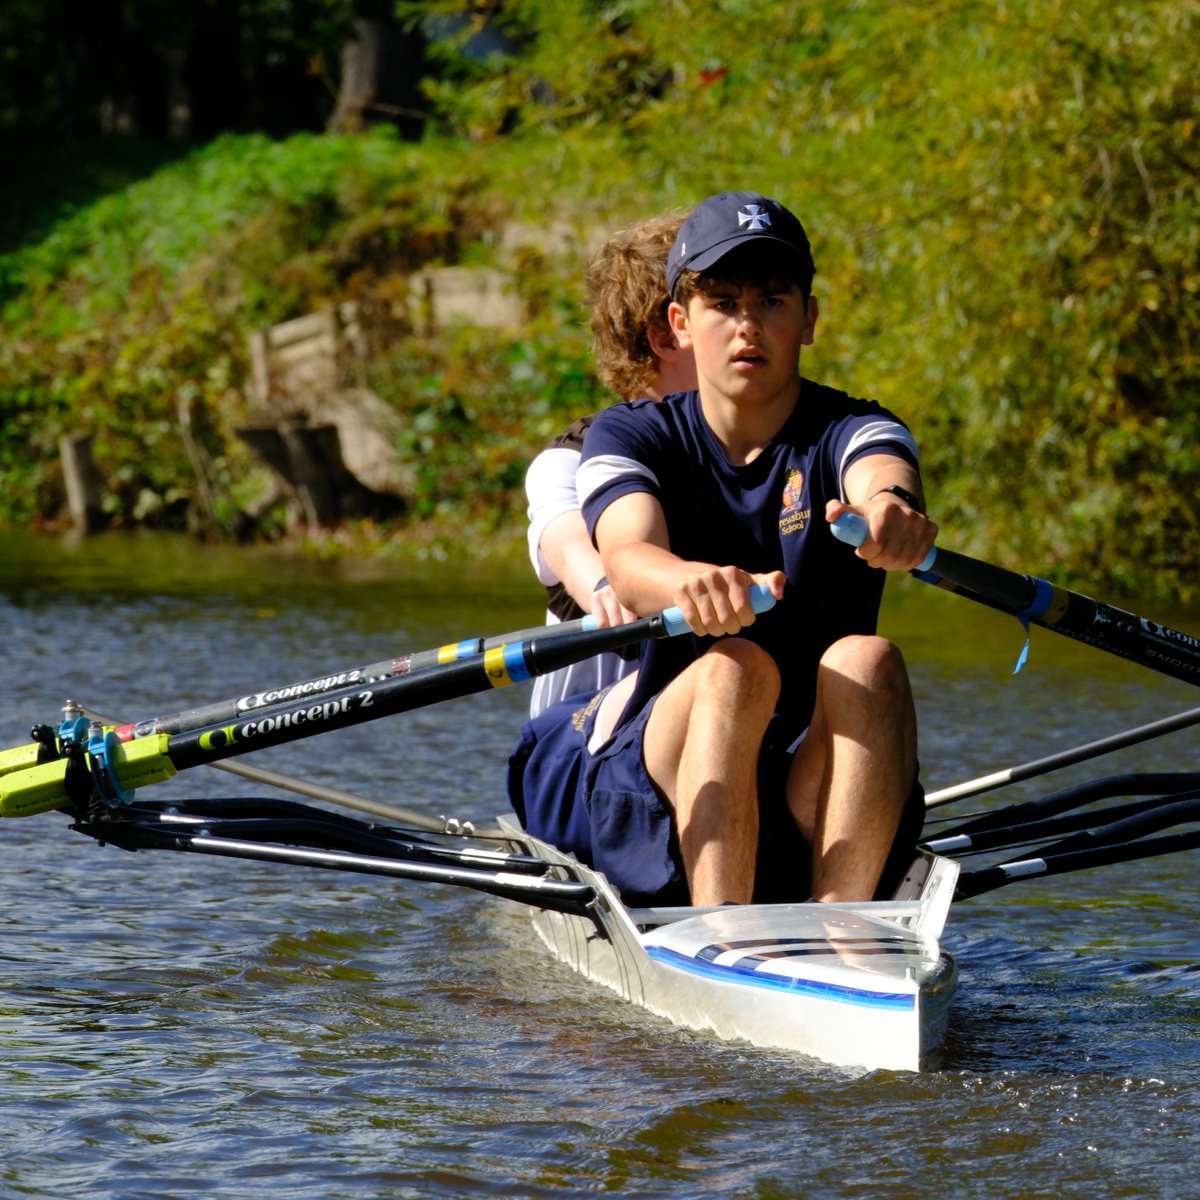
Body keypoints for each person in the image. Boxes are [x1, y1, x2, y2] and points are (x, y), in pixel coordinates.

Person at [562, 189, 939, 909]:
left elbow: (883, 473)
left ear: (808, 320)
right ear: (680, 321)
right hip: (675, 765)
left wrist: (892, 513)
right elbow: (628, 558)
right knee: (736, 666)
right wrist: (685, 583)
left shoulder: (853, 426)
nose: (749, 327)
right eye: (723, 303)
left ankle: (844, 928)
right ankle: (723, 932)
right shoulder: (631, 434)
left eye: (772, 301)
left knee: (869, 658)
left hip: (820, 769)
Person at [523, 213, 695, 718]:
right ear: (667, 336)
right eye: (724, 308)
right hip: (591, 734)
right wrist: (609, 584)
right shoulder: (566, 463)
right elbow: (577, 556)